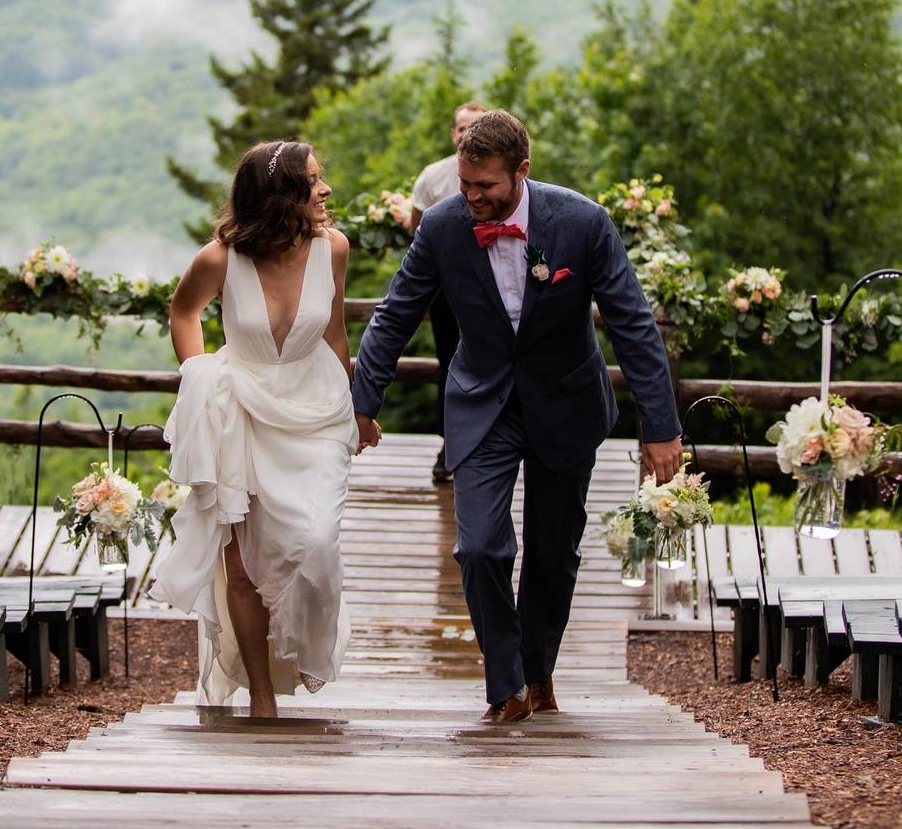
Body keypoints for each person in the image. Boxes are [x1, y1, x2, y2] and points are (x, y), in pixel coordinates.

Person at [352, 110, 682, 723]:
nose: (472, 197)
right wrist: (363, 404)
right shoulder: (444, 226)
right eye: (464, 183)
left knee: (553, 554)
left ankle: (537, 671)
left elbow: (634, 326)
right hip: (483, 402)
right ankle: (504, 685)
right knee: (479, 547)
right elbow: (394, 315)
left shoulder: (583, 222)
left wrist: (660, 428)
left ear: (522, 171)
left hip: (566, 401)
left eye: (486, 186)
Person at [151, 140, 358, 719]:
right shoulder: (220, 259)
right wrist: (199, 378)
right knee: (240, 563)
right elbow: (183, 311)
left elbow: (335, 331)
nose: (325, 190)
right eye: (312, 182)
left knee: (316, 542)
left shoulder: (334, 248)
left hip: (317, 409)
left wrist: (357, 406)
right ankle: (261, 696)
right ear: (277, 196)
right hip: (240, 407)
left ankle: (309, 644)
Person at [410, 101, 486, 482]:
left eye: (475, 127)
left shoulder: (497, 174)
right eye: (462, 127)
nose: (466, 134)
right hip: (445, 287)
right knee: (449, 361)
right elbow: (416, 225)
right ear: (453, 133)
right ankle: (449, 444)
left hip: (489, 286)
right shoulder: (432, 176)